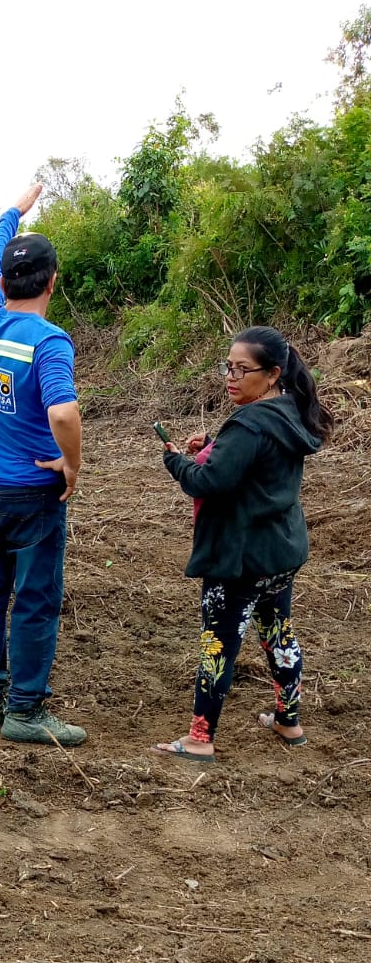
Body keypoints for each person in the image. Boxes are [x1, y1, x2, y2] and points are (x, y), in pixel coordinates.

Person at [154, 326, 333, 761]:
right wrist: (215, 446)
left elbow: (208, 481)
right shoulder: (289, 412)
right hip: (281, 551)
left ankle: (200, 739)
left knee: (218, 645)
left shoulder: (249, 424)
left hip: (240, 557)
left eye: (242, 370)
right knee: (278, 633)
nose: (231, 378)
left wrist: (176, 461)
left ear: (272, 374)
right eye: (228, 367)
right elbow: (250, 463)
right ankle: (288, 721)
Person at [0, 182, 86, 746]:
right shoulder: (49, 342)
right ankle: (26, 711)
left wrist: (12, 213)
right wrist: (71, 464)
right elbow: (63, 411)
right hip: (35, 493)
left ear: (5, 283)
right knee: (36, 601)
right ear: (52, 282)